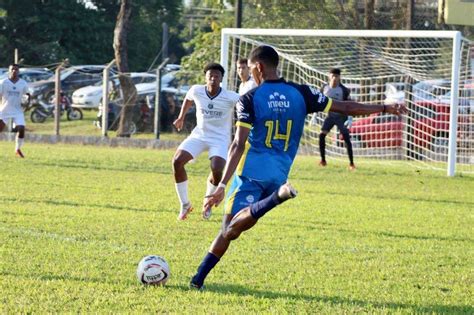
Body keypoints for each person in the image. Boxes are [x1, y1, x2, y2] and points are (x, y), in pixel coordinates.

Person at [189, 45, 406, 290]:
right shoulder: (302, 93)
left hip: (250, 173)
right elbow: (345, 108)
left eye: (251, 70)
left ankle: (275, 199)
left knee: (229, 229)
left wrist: (221, 184)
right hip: (280, 173)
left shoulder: (249, 99)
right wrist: (385, 108)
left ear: (258, 67)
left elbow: (238, 144)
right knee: (233, 228)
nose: (251, 75)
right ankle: (198, 279)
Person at [172, 63, 240, 221]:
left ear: (221, 78)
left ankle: (207, 202)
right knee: (177, 161)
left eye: (217, 76)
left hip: (219, 138)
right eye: (210, 75)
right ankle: (185, 204)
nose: (213, 78)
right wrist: (181, 117)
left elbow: (244, 104)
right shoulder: (197, 90)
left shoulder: (230, 96)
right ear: (205, 77)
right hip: (199, 135)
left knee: (217, 168)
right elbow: (188, 99)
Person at [319, 68, 355, 170]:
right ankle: (323, 160)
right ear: (329, 76)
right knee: (322, 135)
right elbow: (319, 101)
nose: (334, 78)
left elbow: (349, 105)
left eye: (337, 76)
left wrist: (350, 118)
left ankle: (351, 163)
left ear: (339, 77)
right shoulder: (324, 88)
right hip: (330, 116)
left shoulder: (344, 90)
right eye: (333, 75)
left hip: (341, 117)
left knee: (346, 137)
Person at [0, 64, 31, 158]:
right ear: (9, 71)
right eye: (12, 69)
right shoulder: (3, 82)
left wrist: (27, 105)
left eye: (16, 69)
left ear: (19, 71)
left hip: (17, 110)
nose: (14, 71)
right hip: (4, 109)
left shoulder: (23, 83)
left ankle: (17, 149)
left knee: (21, 129)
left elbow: (28, 95)